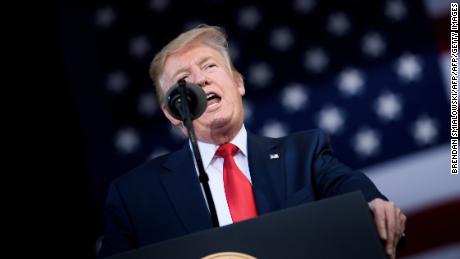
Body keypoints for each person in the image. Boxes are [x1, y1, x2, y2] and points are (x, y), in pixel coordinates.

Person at [98, 24, 406, 258]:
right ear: (172, 113)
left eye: (209, 66)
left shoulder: (303, 153)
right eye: (183, 80)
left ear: (238, 83)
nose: (201, 80)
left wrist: (371, 201)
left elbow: (347, 185)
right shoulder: (134, 196)